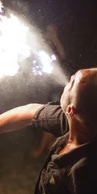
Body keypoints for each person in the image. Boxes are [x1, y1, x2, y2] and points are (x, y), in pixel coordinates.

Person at [31, 24, 68, 158]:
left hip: (56, 88)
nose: (52, 32)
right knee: (50, 115)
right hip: (46, 88)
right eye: (50, 30)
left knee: (55, 115)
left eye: (55, 30)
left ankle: (43, 149)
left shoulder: (55, 45)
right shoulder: (42, 47)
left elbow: (62, 56)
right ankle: (46, 148)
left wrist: (55, 38)